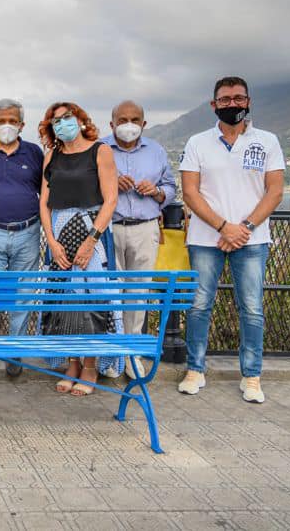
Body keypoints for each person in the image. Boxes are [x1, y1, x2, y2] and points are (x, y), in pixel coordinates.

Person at [178, 76, 284, 403]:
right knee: (198, 306)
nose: (232, 104)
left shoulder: (267, 141)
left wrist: (245, 228)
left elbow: (275, 191)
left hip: (252, 240)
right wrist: (224, 227)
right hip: (205, 238)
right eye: (225, 100)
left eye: (238, 98)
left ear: (248, 101)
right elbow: (190, 192)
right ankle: (195, 370)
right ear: (214, 105)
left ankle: (251, 377)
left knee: (251, 309)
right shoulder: (198, 142)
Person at [38, 101, 119, 396]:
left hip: (91, 231)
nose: (62, 124)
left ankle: (90, 365)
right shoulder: (53, 156)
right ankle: (71, 362)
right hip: (59, 232)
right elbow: (44, 203)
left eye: (67, 117)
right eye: (56, 120)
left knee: (93, 298)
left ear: (81, 120)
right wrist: (51, 240)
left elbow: (110, 200)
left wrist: (91, 240)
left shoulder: (101, 151)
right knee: (65, 300)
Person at [0, 98, 45, 377]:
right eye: (2, 121)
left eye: (13, 121)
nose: (7, 126)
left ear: (22, 125)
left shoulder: (34, 153)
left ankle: (14, 352)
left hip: (28, 232)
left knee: (22, 295)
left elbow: (45, 190)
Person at [102, 100, 177, 378]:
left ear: (144, 124)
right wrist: (111, 184)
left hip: (145, 228)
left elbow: (170, 187)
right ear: (112, 124)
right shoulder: (100, 149)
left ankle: (131, 353)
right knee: (110, 293)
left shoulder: (156, 151)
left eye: (134, 119)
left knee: (138, 292)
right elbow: (88, 186)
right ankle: (112, 355)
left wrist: (157, 192)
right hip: (110, 228)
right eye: (122, 120)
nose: (128, 125)